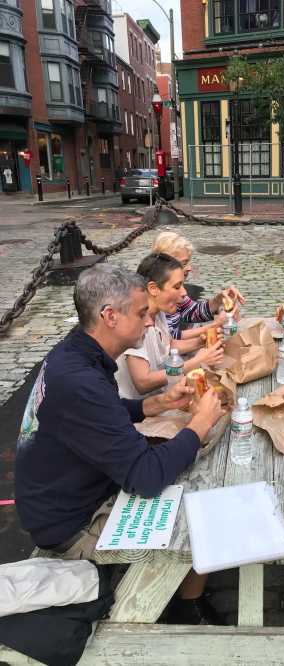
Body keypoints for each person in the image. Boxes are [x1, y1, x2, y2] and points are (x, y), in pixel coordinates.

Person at [15, 264, 224, 623]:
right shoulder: (80, 380)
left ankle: (184, 593)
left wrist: (157, 403)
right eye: (142, 313)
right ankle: (174, 607)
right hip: (71, 526)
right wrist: (202, 421)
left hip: (71, 496)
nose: (148, 322)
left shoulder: (75, 354)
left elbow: (102, 413)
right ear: (109, 316)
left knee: (192, 469)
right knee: (202, 510)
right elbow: (144, 477)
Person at [115, 252, 224, 400]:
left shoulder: (159, 312)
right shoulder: (135, 320)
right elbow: (142, 382)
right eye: (177, 286)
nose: (184, 292)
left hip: (160, 397)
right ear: (153, 289)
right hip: (138, 411)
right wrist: (196, 362)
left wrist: (201, 342)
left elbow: (169, 345)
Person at [151, 231, 245, 340]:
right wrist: (213, 326)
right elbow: (169, 339)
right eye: (184, 263)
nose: (190, 268)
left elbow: (192, 311)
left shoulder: (172, 286)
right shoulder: (159, 293)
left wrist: (219, 299)